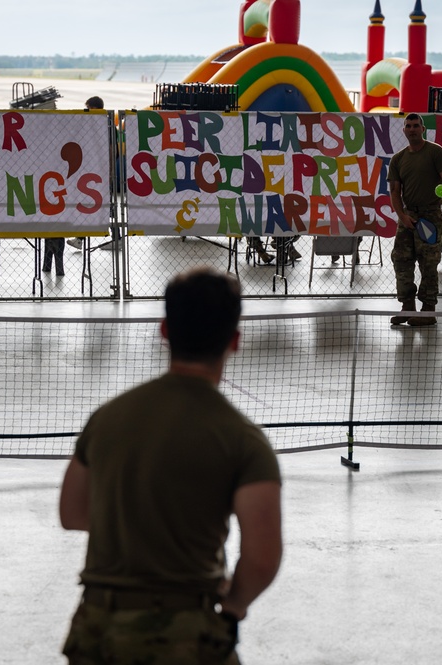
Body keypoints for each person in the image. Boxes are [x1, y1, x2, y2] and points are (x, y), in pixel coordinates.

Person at [59, 267, 282, 664]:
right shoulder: (243, 440)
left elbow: (72, 513)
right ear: (234, 341)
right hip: (185, 633)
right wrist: (232, 607)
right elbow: (263, 557)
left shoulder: (108, 418)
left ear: (165, 330)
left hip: (98, 630)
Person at [387, 112, 442, 326]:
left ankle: (428, 310)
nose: (412, 129)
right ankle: (407, 307)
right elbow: (394, 191)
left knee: (428, 263)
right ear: (404, 130)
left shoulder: (435, 152)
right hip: (408, 216)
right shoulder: (398, 159)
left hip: (430, 216)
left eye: (415, 125)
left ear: (422, 128)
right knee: (401, 260)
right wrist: (402, 216)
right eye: (408, 126)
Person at [67, 96, 107, 252]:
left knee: (102, 207)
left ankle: (81, 238)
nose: (87, 112)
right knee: (95, 206)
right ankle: (81, 238)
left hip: (98, 172)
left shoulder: (102, 125)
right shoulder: (99, 126)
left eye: (89, 109)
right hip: (93, 172)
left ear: (96, 109)